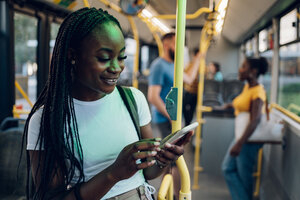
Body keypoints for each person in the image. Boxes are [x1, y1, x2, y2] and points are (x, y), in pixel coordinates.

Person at [24, 8, 193, 200]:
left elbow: (148, 173)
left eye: (122, 57)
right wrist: (113, 174)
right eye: (104, 58)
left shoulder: (133, 100)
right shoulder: (45, 120)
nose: (116, 68)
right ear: (73, 56)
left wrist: (163, 160)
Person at [147, 32, 199, 199]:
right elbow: (153, 96)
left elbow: (189, 79)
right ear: (167, 45)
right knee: (174, 159)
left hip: (174, 119)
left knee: (171, 159)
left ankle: (169, 193)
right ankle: (176, 195)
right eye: (176, 45)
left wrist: (199, 58)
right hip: (165, 119)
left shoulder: (174, 65)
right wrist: (171, 117)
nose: (180, 50)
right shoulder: (159, 66)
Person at [221, 57, 268, 200]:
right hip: (241, 136)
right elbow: (241, 103)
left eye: (243, 66)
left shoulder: (258, 92)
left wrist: (239, 144)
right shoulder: (248, 86)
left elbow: (255, 120)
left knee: (244, 176)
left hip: (248, 140)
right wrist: (229, 105)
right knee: (228, 169)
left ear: (253, 71)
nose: (240, 69)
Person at [182, 48, 202, 126]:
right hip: (188, 91)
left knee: (192, 110)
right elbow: (188, 77)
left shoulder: (202, 66)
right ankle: (187, 123)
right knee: (185, 108)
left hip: (197, 92)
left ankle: (188, 123)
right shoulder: (190, 65)